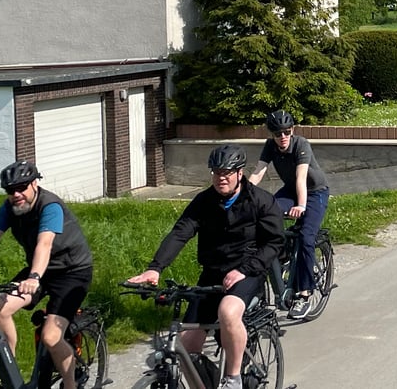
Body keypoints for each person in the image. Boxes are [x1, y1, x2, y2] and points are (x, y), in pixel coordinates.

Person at [128, 144, 283, 389]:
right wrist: (155, 268)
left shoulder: (260, 201)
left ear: (239, 173)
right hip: (212, 274)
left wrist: (244, 270)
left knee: (228, 312)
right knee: (187, 349)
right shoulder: (204, 201)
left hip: (247, 272)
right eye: (216, 172)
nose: (220, 177)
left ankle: (233, 378)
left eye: (226, 172)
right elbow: (180, 233)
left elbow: (274, 242)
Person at [0, 161, 92, 389]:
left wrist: (34, 278)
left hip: (71, 272)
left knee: (50, 336)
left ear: (34, 183)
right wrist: (35, 274)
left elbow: (45, 244)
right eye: (10, 190)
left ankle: (71, 385)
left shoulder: (49, 206)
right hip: (39, 270)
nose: (16, 194)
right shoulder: (10, 208)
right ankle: (8, 371)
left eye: (21, 187)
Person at [248, 110, 330, 319]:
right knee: (267, 215)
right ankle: (284, 254)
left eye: (286, 132)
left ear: (292, 131)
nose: (282, 137)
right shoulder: (270, 146)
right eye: (277, 134)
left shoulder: (301, 144)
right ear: (272, 134)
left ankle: (304, 294)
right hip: (290, 190)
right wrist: (240, 197)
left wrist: (301, 206)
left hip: (314, 192)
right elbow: (258, 172)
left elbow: (301, 178)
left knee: (306, 237)